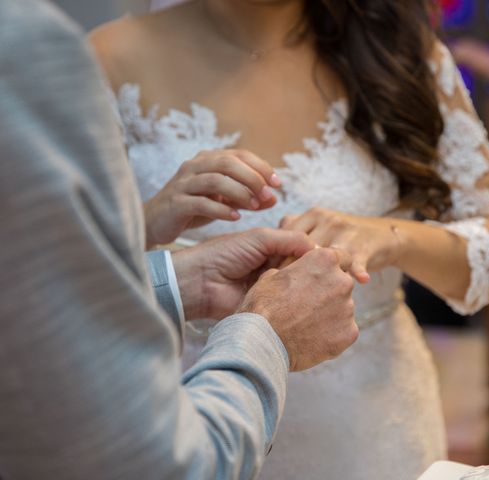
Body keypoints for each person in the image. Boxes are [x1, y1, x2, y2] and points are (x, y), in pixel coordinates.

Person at [91, 1, 489, 478]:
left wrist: (390, 237)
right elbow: (49, 289)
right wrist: (146, 221)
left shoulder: (395, 49)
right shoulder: (104, 58)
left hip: (374, 424)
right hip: (197, 420)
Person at [0, 1, 359, 479]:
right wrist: (267, 334)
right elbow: (160, 466)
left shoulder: (379, 51)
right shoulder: (26, 48)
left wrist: (177, 279)